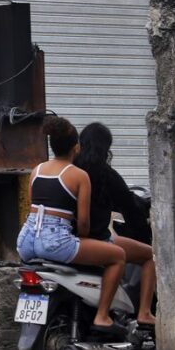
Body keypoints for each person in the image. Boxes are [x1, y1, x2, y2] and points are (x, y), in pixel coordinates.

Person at [16, 115, 126, 338]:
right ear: (76, 147)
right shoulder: (79, 175)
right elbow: (83, 222)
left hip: (26, 240)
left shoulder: (36, 170)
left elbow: (33, 208)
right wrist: (83, 237)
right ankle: (102, 316)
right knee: (118, 256)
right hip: (55, 241)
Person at [74, 121, 156, 329]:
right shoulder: (105, 175)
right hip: (95, 240)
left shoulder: (69, 170)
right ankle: (145, 313)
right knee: (150, 255)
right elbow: (130, 208)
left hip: (68, 240)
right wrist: (143, 234)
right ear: (106, 148)